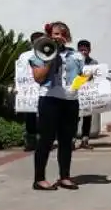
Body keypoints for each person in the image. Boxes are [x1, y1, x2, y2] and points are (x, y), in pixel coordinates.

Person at [29, 21, 85, 191]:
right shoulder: (40, 53)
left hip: (70, 100)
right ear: (49, 36)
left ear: (67, 37)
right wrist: (49, 59)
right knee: (46, 140)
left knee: (67, 141)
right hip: (49, 99)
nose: (59, 37)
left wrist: (84, 80)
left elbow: (81, 76)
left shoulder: (76, 56)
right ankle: (39, 179)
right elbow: (38, 78)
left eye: (62, 34)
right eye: (55, 34)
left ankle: (65, 176)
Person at [19, 31, 45, 152]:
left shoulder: (47, 55)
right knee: (29, 116)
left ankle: (43, 140)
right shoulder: (24, 56)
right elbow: (20, 72)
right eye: (37, 42)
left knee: (44, 116)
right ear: (32, 43)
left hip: (43, 89)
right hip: (28, 91)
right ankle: (30, 141)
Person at [75, 39, 97, 150]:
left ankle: (85, 140)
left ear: (89, 50)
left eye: (85, 49)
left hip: (88, 95)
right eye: (81, 50)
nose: (83, 52)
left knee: (87, 118)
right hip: (75, 95)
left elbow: (97, 78)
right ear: (77, 50)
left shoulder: (94, 63)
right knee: (74, 119)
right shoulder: (73, 61)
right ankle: (72, 140)